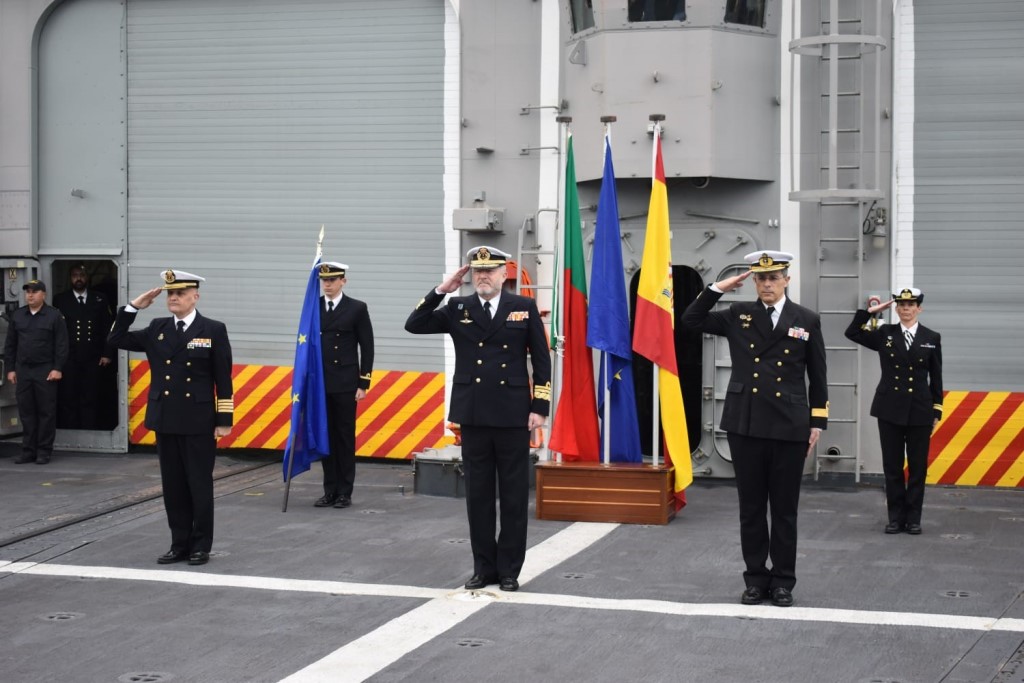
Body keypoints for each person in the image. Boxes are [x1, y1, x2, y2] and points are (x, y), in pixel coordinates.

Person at [681, 250, 828, 607]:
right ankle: (756, 579)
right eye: (761, 279)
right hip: (746, 423)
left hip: (789, 424)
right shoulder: (738, 314)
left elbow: (818, 374)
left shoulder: (806, 319)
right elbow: (691, 320)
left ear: (787, 280)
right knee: (751, 508)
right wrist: (718, 287)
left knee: (784, 509)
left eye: (773, 278)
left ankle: (783, 582)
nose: (767, 284)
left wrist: (817, 422)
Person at [405, 246, 551, 592]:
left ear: (503, 274)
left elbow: (541, 360)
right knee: (479, 496)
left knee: (513, 496)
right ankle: (484, 568)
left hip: (513, 413)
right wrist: (442, 289)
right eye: (478, 271)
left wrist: (539, 407)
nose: (483, 277)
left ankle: (509, 570)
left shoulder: (523, 307)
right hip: (474, 413)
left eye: (490, 271)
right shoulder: (458, 308)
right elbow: (414, 324)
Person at [107, 269, 233, 566]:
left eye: (180, 293)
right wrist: (133, 307)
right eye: (170, 293)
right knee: (173, 486)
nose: (173, 298)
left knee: (199, 485)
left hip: (198, 419)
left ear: (195, 297)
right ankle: (179, 544)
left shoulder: (212, 329)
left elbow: (222, 377)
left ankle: (200, 545)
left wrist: (224, 419)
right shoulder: (157, 327)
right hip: (165, 417)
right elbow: (115, 338)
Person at [845, 287, 942, 535]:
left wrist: (936, 410)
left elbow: (936, 377)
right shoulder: (885, 333)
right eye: (901, 305)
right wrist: (870, 312)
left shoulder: (931, 337)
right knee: (892, 466)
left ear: (919, 308)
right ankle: (896, 518)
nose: (906, 309)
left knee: (918, 468)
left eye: (911, 305)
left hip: (920, 410)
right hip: (889, 409)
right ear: (896, 309)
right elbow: (852, 332)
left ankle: (914, 519)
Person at [314, 261, 374, 509]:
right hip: (321, 383)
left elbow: (367, 346)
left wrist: (363, 382)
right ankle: (330, 490)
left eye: (332, 280)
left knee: (344, 438)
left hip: (345, 383)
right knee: (326, 438)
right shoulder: (314, 306)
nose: (327, 285)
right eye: (324, 281)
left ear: (343, 281)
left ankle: (344, 492)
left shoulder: (357, 308)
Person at [3, 279, 68, 465]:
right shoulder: (18, 315)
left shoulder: (54, 316)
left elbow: (62, 345)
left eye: (35, 292)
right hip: (23, 370)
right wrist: (10, 369)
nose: (30, 295)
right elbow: (11, 345)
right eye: (28, 292)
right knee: (26, 412)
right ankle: (28, 451)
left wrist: (57, 368)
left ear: (43, 294)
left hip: (45, 370)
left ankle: (44, 451)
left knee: (46, 412)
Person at [53, 264, 115, 430]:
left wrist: (107, 353)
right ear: (70, 278)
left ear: (87, 277)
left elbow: (107, 328)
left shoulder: (99, 298)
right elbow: (56, 331)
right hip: (69, 358)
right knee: (68, 398)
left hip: (93, 357)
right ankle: (71, 432)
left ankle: (89, 431)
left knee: (90, 397)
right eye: (75, 275)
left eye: (81, 275)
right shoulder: (60, 299)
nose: (78, 278)